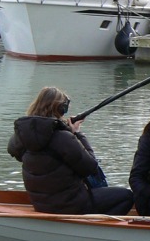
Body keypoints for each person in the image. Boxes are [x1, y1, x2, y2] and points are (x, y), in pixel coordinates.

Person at [7, 86, 134, 215]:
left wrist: (65, 129)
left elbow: (14, 152)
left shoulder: (22, 136)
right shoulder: (62, 137)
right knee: (126, 196)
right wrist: (78, 134)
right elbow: (91, 167)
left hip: (41, 204)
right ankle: (97, 230)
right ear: (60, 109)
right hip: (71, 205)